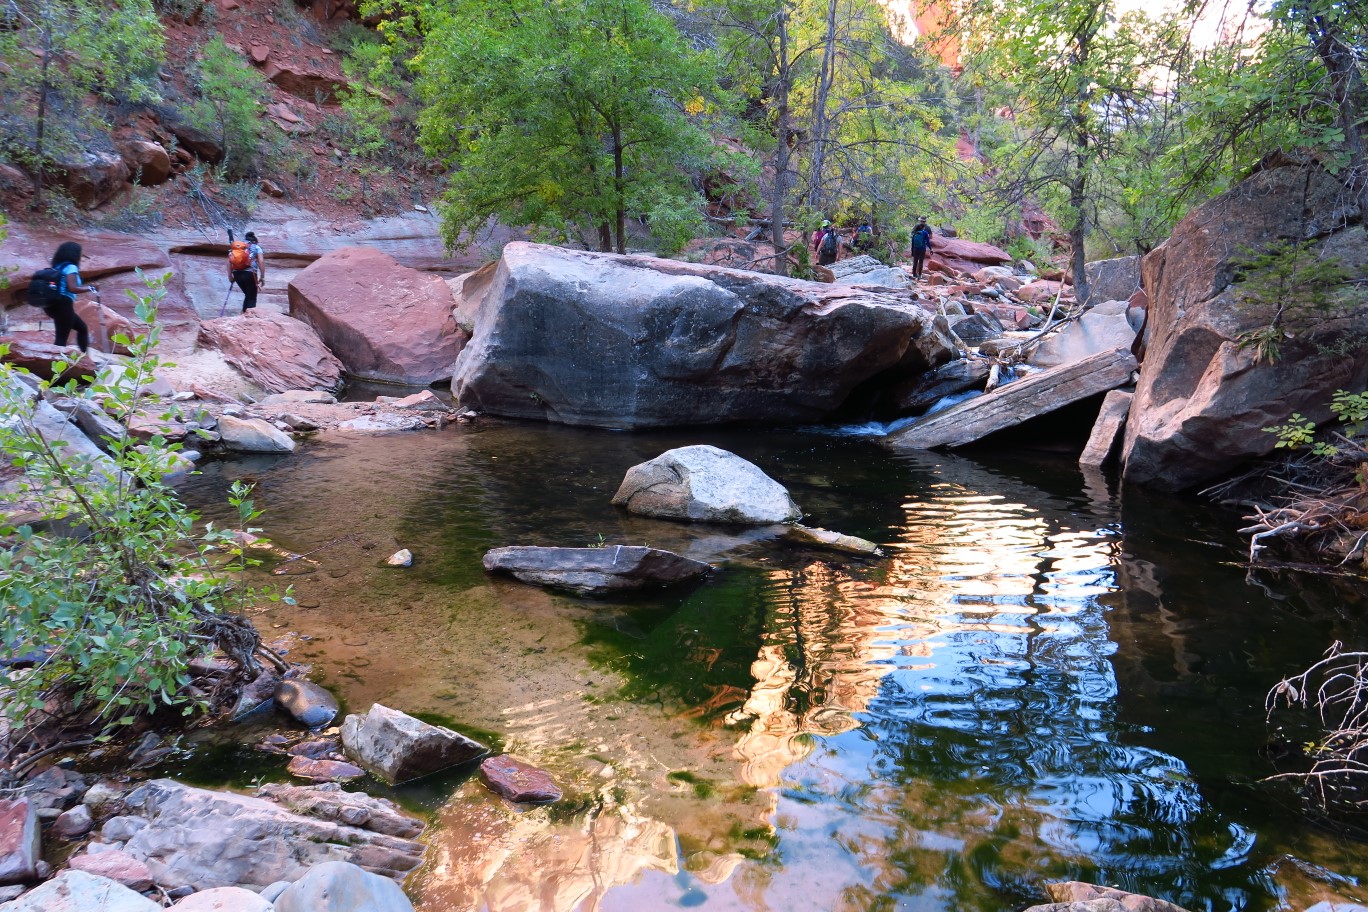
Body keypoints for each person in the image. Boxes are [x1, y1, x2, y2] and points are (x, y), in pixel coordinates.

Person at [47, 241, 96, 352]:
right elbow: (72, 288)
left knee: (82, 328)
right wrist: (90, 288)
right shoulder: (71, 267)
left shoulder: (58, 267)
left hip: (53, 305)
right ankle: (55, 366)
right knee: (61, 340)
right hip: (64, 304)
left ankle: (85, 359)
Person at [228, 230, 266, 313]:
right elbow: (261, 261)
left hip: (237, 273)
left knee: (248, 294)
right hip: (250, 273)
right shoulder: (256, 247)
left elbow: (230, 261)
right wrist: (262, 276)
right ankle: (249, 318)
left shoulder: (236, 247)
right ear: (254, 241)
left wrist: (230, 276)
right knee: (252, 296)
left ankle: (243, 314)